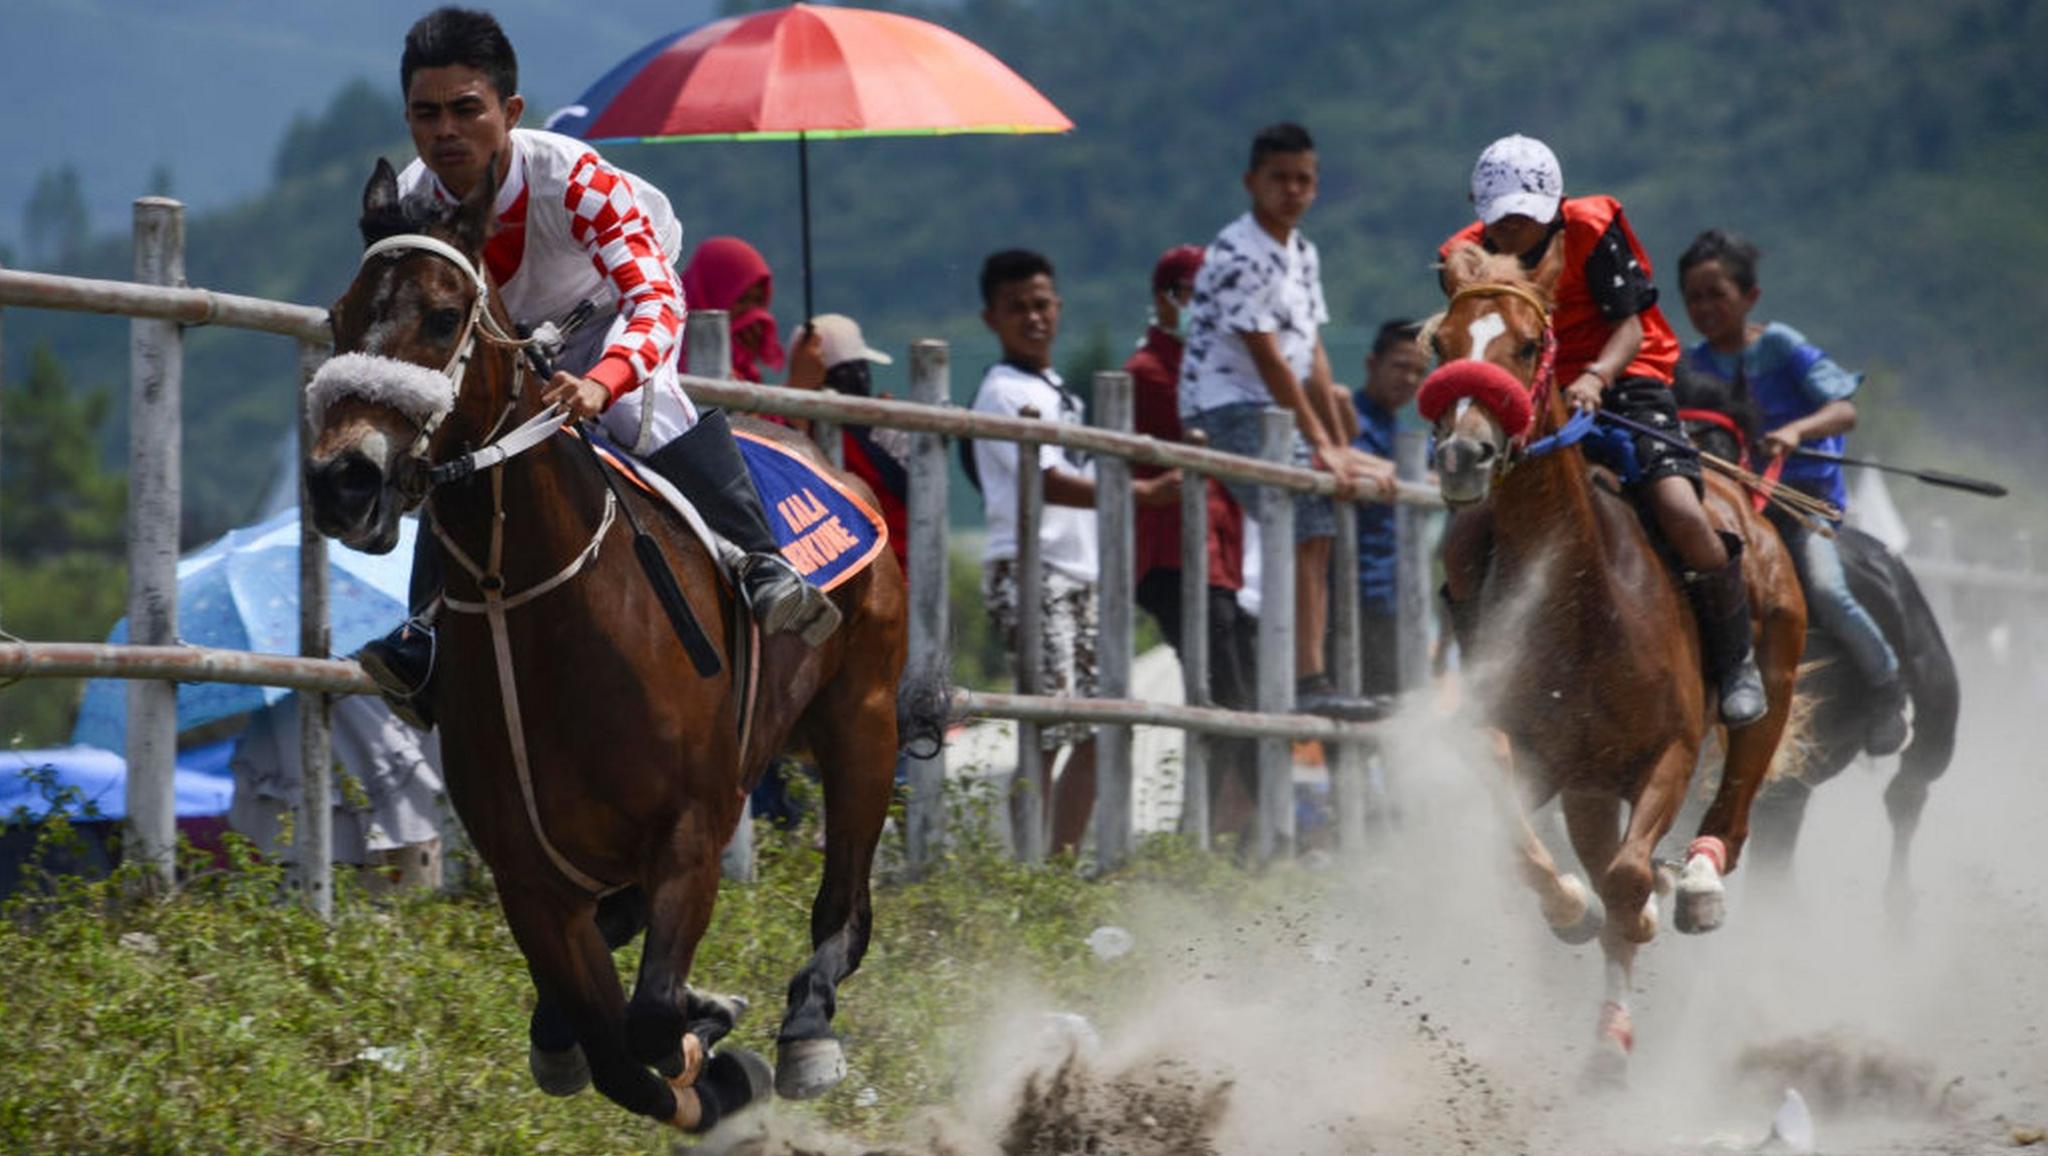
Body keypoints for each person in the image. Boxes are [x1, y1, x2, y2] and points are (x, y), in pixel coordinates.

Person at [355, 7, 837, 729]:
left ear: (511, 111)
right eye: (426, 114)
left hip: (611, 322)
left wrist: (602, 379)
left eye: (466, 110)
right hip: (510, 346)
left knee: (644, 412)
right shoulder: (416, 199)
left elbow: (656, 299)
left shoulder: (576, 179)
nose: (445, 131)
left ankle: (761, 563)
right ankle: (423, 632)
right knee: (455, 443)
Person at [1436, 134, 1766, 725]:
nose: (1513, 229)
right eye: (1501, 218)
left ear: (1553, 203)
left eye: (1525, 216)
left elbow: (1632, 330)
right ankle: (1481, 682)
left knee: (1684, 513)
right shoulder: (1462, 257)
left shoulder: (1591, 227)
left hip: (1622, 375)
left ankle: (1735, 661)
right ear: (1478, 207)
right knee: (1459, 546)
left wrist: (1594, 378)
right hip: (1526, 393)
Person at [1178, 122, 1393, 721]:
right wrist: (1323, 444)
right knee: (1304, 509)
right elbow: (1269, 359)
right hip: (1224, 403)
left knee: (1319, 519)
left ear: (1317, 186)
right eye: (1280, 179)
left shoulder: (1302, 253)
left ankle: (1311, 668)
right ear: (1252, 182)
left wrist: (1341, 442)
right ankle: (1306, 674)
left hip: (1273, 407)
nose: (1292, 191)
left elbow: (1312, 352)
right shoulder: (1239, 251)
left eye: (1304, 180)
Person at [970, 249, 1178, 855]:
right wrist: (1138, 492)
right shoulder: (1003, 391)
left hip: (1074, 569)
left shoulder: (1052, 388)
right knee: (1049, 724)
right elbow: (1048, 477)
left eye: (1040, 305)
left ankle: (1055, 868)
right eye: (1017, 309)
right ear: (992, 319)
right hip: (1031, 568)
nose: (1032, 318)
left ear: (1058, 309)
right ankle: (1027, 865)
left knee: (1092, 727)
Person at [1678, 229, 1907, 753]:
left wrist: (1796, 432)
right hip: (1733, 508)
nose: (1705, 307)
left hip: (1804, 506)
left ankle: (1886, 685)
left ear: (1749, 297)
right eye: (1694, 297)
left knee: (1826, 588)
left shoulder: (1780, 345)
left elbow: (1844, 408)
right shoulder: (1688, 365)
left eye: (1717, 294)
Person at [1125, 243, 1261, 841]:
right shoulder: (1151, 372)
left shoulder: (1199, 366)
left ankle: (1206, 835)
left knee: (1229, 696)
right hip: (1179, 553)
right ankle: (1254, 833)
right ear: (1165, 301)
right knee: (1226, 696)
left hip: (1213, 553)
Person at [1349, 319, 1429, 701]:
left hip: (1396, 593)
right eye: (1400, 366)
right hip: (1351, 590)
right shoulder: (1347, 420)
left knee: (1397, 706)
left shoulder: (1401, 432)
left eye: (1419, 372)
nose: (1410, 379)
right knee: (1358, 702)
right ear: (1371, 364)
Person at [680, 236, 786, 383]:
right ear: (710, 296)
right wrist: (801, 383)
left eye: (758, 301)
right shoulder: (674, 361)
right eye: (742, 300)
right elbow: (714, 402)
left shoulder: (748, 372)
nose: (753, 314)